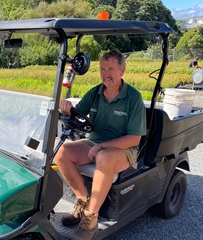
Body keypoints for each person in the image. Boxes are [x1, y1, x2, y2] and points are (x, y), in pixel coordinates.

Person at [55, 49, 146, 240]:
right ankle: (82, 200)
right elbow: (77, 113)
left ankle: (90, 219)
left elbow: (134, 139)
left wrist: (102, 146)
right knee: (61, 152)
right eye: (102, 69)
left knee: (104, 156)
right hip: (95, 143)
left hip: (124, 149)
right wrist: (67, 108)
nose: (106, 74)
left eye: (110, 69)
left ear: (122, 70)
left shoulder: (133, 98)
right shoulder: (96, 92)